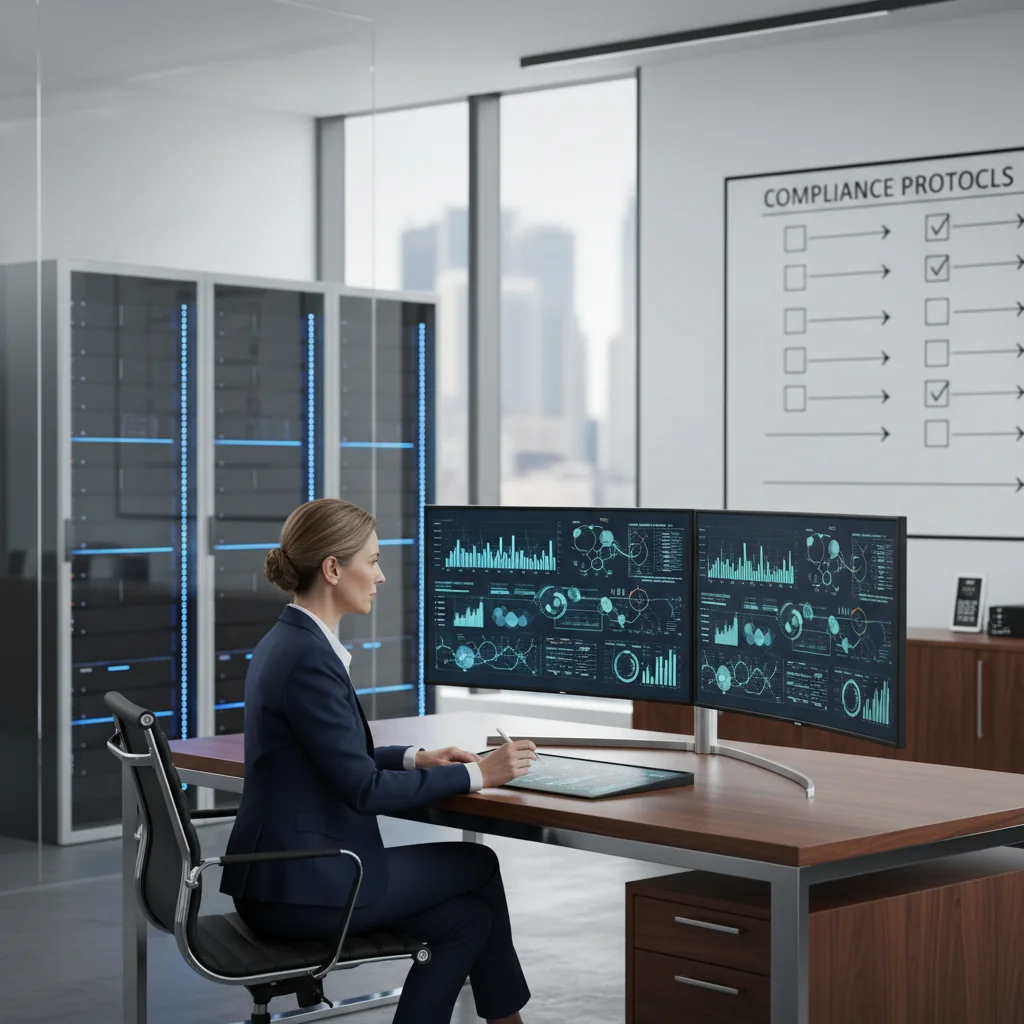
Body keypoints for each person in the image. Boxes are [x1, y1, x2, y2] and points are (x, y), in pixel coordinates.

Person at [220, 498, 534, 1024]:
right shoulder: (308, 661)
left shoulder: (288, 642)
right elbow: (363, 789)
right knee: (479, 864)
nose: (381, 576)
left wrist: (417, 759)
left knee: (467, 919)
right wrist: (481, 773)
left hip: (276, 878)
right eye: (373, 560)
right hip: (308, 886)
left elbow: (336, 756)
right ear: (333, 569)